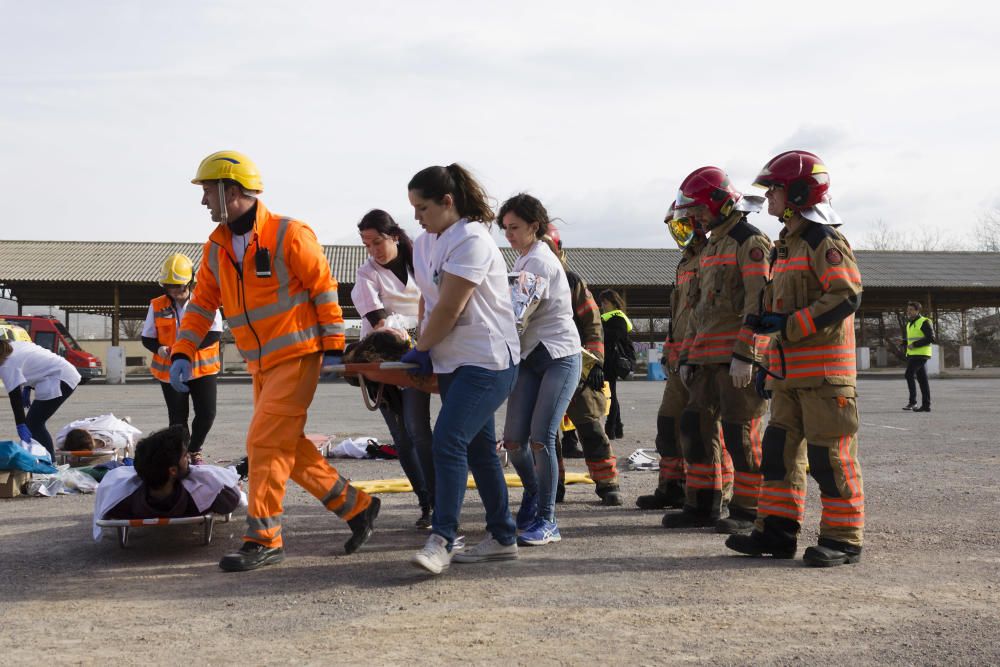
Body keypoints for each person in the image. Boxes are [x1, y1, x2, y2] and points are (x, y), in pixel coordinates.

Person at [170, 150, 378, 572]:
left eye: (209, 192)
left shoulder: (289, 234)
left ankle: (263, 538)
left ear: (232, 190)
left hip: (298, 356)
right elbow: (201, 306)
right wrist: (181, 350)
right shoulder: (216, 249)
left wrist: (335, 344)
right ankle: (357, 507)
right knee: (284, 446)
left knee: (262, 444)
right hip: (260, 365)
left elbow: (323, 287)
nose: (204, 201)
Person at [726, 150, 865, 567]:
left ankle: (843, 539)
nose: (768, 199)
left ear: (799, 193)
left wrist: (789, 326)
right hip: (788, 376)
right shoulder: (786, 245)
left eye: (775, 191)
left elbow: (846, 294)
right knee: (778, 454)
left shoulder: (824, 239)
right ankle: (776, 531)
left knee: (830, 458)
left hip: (825, 376)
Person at [403, 163, 520, 575]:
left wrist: (421, 348)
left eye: (422, 207)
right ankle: (504, 537)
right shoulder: (424, 242)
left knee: (447, 440)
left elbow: (452, 306)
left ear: (447, 202)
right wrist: (423, 345)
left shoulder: (472, 240)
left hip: (487, 360)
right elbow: (429, 301)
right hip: (452, 360)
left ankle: (443, 537)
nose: (417, 216)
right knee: (478, 450)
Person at [668, 167, 771, 533]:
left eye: (697, 209)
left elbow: (760, 304)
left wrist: (747, 354)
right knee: (695, 428)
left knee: (740, 434)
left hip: (735, 360)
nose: (693, 218)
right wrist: (687, 355)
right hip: (705, 359)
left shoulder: (750, 242)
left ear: (716, 202)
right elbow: (697, 308)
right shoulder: (712, 245)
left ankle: (748, 510)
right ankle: (702, 504)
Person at [499, 194, 582, 546]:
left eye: (514, 228)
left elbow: (515, 317)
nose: (509, 235)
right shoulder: (523, 259)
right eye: (505, 229)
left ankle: (548, 520)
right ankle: (534, 494)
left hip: (559, 356)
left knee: (540, 438)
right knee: (514, 441)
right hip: (530, 357)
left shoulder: (541, 264)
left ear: (534, 226)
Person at [352, 208, 435, 528]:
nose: (372, 250)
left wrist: (416, 331)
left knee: (419, 430)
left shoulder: (421, 264)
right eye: (366, 244)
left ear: (394, 237)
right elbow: (380, 323)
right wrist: (410, 327)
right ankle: (425, 501)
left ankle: (440, 501)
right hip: (382, 364)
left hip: (419, 358)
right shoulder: (366, 275)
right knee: (401, 437)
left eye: (376, 242)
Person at [636, 204, 709, 511]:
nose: (678, 235)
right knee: (668, 425)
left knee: (701, 430)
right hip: (678, 359)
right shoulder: (684, 264)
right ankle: (671, 487)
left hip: (701, 358)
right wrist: (669, 348)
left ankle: (709, 494)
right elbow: (677, 313)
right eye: (674, 230)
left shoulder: (711, 257)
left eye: (681, 227)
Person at [544, 226, 623, 506]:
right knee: (546, 433)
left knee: (590, 427)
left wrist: (595, 362)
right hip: (542, 368)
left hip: (577, 368)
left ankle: (607, 483)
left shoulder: (571, 281)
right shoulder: (525, 281)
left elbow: (592, 323)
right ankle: (554, 488)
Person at [141, 253, 223, 464]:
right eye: (169, 286)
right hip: (170, 372)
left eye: (178, 286)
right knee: (177, 418)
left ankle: (194, 450)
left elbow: (215, 333)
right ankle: (181, 455)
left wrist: (185, 350)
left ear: (190, 282)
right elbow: (147, 337)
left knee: (207, 413)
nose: (174, 291)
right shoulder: (157, 305)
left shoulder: (205, 301)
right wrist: (159, 349)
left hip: (202, 369)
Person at [96, 426, 242, 533]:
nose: (189, 459)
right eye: (185, 456)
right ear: (173, 471)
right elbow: (231, 501)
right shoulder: (204, 496)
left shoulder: (122, 502)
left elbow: (109, 509)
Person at [0, 338, 81, 457]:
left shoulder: (6, 365)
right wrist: (28, 385)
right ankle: (45, 460)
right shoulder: (11, 345)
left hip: (60, 378)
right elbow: (31, 359)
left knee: (33, 424)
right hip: (62, 371)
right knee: (33, 423)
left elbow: (15, 397)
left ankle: (50, 464)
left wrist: (20, 424)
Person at [599, 289, 631, 440]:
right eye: (602, 303)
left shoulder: (618, 318)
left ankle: (610, 428)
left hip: (612, 361)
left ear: (613, 303)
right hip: (608, 360)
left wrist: (600, 329)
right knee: (612, 393)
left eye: (605, 302)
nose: (603, 306)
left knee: (610, 394)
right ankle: (617, 427)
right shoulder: (608, 318)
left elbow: (616, 336)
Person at [902, 300, 933, 412]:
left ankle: (912, 402)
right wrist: (904, 342)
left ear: (917, 310)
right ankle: (926, 405)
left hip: (921, 354)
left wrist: (914, 345)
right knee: (923, 380)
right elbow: (913, 338)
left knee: (908, 374)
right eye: (908, 309)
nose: (908, 312)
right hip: (913, 354)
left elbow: (930, 338)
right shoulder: (910, 323)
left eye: (911, 310)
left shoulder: (924, 321)